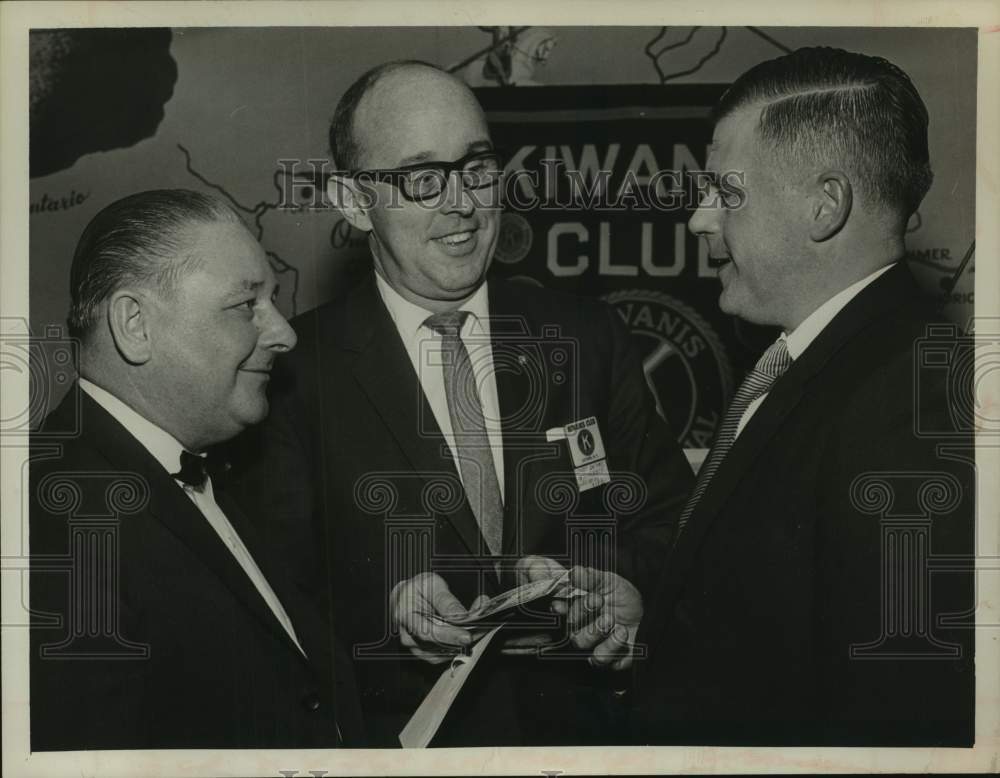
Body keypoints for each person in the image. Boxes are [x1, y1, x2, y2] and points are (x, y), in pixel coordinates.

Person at [230, 61, 694, 746]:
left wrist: (624, 592)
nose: (464, 204)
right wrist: (386, 610)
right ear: (353, 202)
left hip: (587, 737)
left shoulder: (587, 335)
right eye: (422, 178)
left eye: (477, 167)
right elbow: (269, 589)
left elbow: (670, 521)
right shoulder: (294, 372)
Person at [633, 47, 975, 746]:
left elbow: (897, 717)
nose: (700, 220)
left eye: (726, 194)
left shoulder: (914, 402)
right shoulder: (816, 362)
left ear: (825, 205)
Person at [29, 189, 363, 750]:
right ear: (135, 324)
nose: (285, 333)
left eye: (274, 301)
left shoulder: (204, 472)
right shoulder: (58, 525)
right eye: (245, 305)